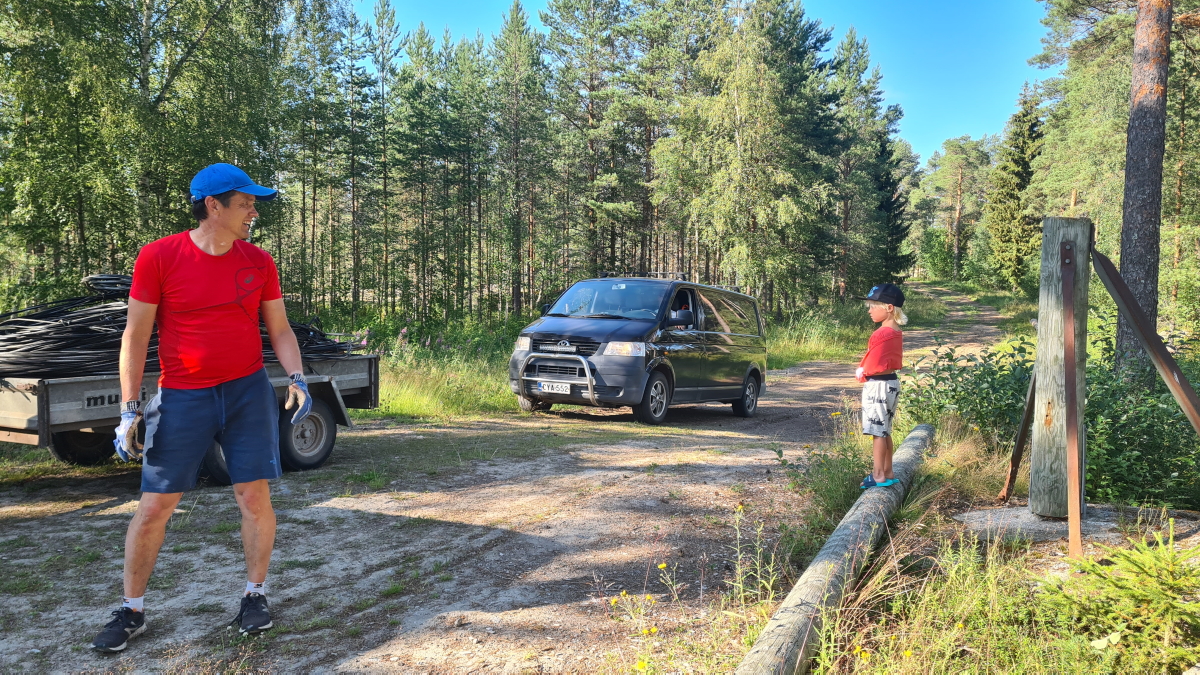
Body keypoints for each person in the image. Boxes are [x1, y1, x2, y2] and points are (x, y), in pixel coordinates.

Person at [91, 163, 313, 653]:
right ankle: (132, 610)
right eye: (246, 203)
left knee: (254, 498)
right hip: (182, 396)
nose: (254, 211)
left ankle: (255, 596)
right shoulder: (159, 257)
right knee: (153, 507)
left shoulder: (259, 261)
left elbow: (279, 328)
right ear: (214, 206)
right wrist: (130, 408)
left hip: (247, 391)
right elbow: (136, 335)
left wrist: (297, 376)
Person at [854, 283, 907, 489]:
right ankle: (888, 471)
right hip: (892, 383)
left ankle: (878, 475)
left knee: (877, 432)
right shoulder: (896, 332)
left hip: (877, 386)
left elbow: (873, 363)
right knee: (885, 430)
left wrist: (862, 371)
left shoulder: (880, 333)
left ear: (889, 308)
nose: (869, 310)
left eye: (873, 305)